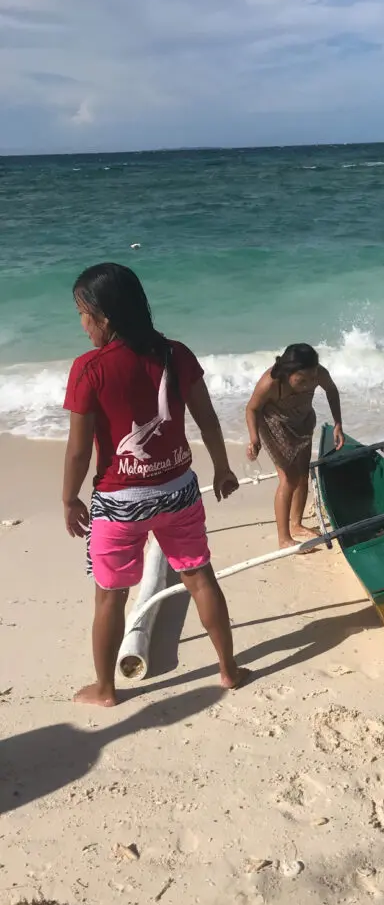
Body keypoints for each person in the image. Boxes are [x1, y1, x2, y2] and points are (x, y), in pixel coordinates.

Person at [62, 263, 248, 707]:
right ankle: (229, 669)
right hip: (178, 490)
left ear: (105, 315)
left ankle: (106, 690)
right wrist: (222, 468)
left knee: (110, 596)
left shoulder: (89, 369)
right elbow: (206, 419)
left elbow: (78, 450)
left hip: (119, 501)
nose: (82, 324)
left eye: (83, 314)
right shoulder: (175, 354)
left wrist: (69, 497)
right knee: (200, 577)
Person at [245, 344, 343, 548]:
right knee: (288, 479)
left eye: (312, 378)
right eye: (301, 380)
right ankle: (284, 538)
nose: (308, 385)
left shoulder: (319, 374)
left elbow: (331, 390)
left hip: (302, 420)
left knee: (302, 474)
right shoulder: (271, 382)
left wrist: (338, 424)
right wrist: (254, 438)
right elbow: (252, 408)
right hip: (275, 425)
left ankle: (297, 525)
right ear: (288, 373)